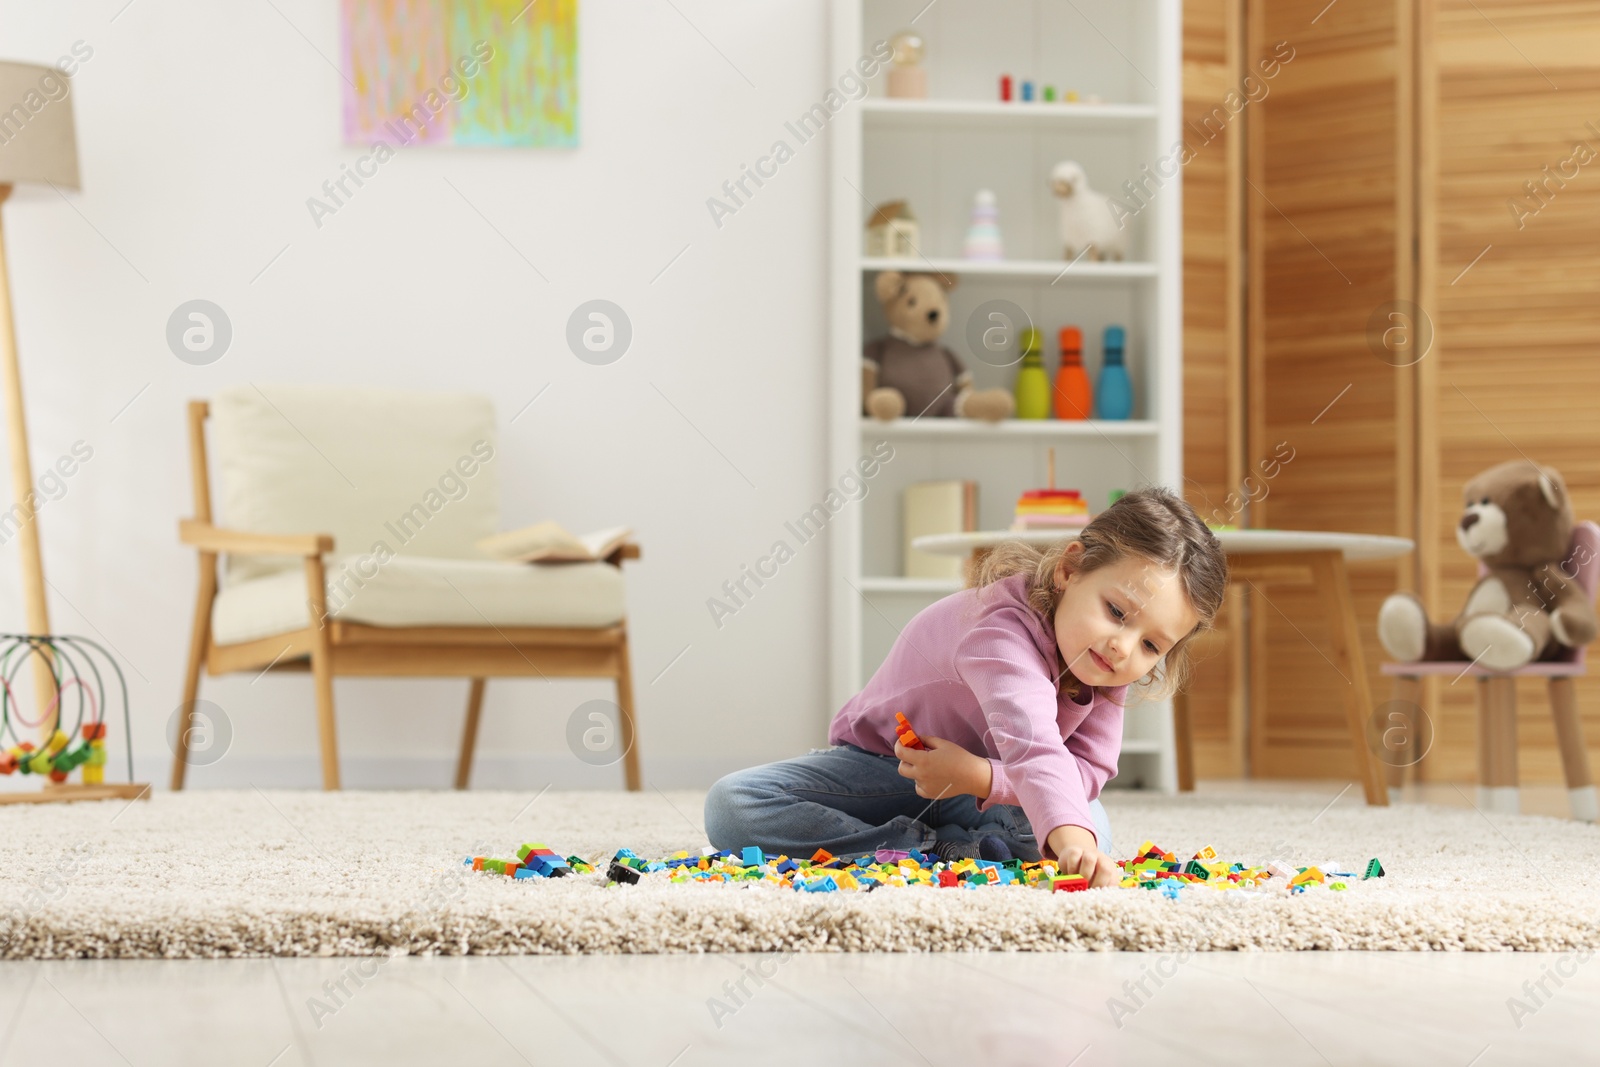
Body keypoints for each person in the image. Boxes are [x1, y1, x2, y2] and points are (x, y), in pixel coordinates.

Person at [704, 486, 1229, 887]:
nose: (1123, 648)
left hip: (981, 786)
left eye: (1151, 646)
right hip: (887, 766)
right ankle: (923, 846)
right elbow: (1033, 745)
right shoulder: (999, 632)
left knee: (1090, 824)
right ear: (1071, 569)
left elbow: (1087, 772)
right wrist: (1063, 835)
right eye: (1116, 612)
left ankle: (961, 846)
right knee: (733, 805)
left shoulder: (1107, 662)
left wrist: (980, 778)